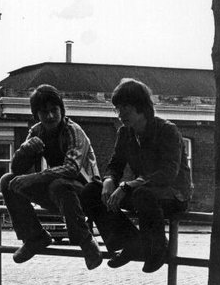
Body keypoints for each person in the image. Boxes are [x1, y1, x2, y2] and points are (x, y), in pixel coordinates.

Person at [81, 79, 192, 273]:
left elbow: (168, 172)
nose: (120, 113)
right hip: (143, 192)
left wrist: (127, 186)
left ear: (141, 107)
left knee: (142, 194)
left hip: (174, 194)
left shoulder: (167, 130)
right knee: (91, 190)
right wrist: (109, 180)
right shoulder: (125, 133)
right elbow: (115, 164)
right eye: (117, 108)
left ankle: (157, 249)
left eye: (126, 108)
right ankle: (131, 243)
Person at [0, 84, 103, 269]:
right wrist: (25, 151)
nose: (50, 116)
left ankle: (86, 241)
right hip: (59, 193)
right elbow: (16, 169)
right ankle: (34, 237)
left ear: (61, 109)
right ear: (36, 115)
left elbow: (72, 169)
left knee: (59, 185)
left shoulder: (73, 131)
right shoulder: (37, 131)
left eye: (54, 110)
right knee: (8, 181)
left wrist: (34, 177)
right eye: (43, 112)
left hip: (87, 192)